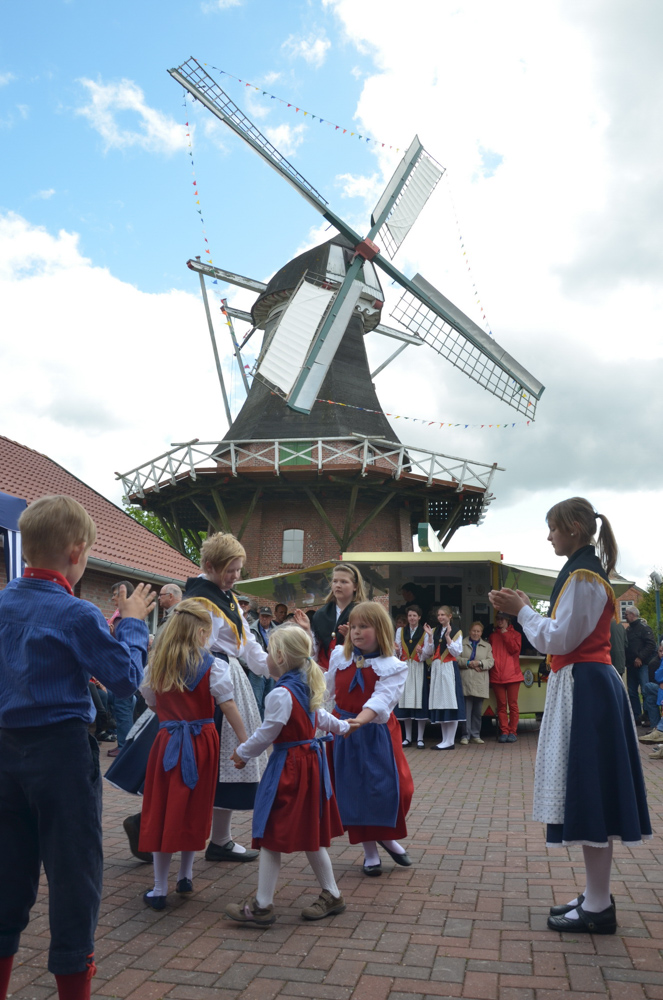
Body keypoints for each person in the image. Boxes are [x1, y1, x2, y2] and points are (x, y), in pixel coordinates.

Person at [0, 495, 154, 1000]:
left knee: (6, 878)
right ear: (76, 550)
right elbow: (126, 680)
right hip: (61, 756)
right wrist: (131, 623)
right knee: (73, 880)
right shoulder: (76, 613)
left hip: (5, 751)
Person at [489, 497, 651, 936]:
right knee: (588, 788)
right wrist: (524, 607)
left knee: (590, 789)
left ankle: (598, 904)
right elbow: (561, 635)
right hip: (584, 685)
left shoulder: (583, 575)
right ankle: (595, 895)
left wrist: (519, 611)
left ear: (576, 527)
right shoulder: (583, 571)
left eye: (553, 528)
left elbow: (558, 640)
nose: (548, 536)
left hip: (586, 687)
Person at [224, 627, 351, 924]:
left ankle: (262, 905)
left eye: (270, 651)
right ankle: (331, 893)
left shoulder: (281, 693)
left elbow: (268, 732)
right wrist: (345, 727)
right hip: (309, 765)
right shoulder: (304, 685)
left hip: (289, 768)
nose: (267, 657)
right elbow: (321, 718)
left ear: (280, 656)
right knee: (310, 833)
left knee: (270, 831)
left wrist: (242, 753)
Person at [138, 599, 246, 910]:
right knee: (194, 807)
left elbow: (151, 704)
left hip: (168, 740)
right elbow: (228, 705)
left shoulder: (156, 666)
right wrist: (245, 742)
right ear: (200, 632)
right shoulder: (214, 667)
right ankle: (185, 875)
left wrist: (173, 719)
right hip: (202, 743)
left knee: (163, 808)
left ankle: (160, 887)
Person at [185, 533, 271, 864]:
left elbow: (248, 644)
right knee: (205, 762)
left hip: (230, 675)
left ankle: (220, 840)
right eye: (230, 570)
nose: (236, 576)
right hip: (207, 680)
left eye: (238, 570)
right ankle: (162, 830)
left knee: (226, 766)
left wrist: (272, 666)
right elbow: (196, 648)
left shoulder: (228, 598)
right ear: (210, 566)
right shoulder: (199, 601)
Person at [326, 602, 414, 876]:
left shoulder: (393, 666)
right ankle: (370, 851)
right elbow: (327, 691)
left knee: (397, 789)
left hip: (376, 733)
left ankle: (386, 837)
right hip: (343, 730)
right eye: (353, 626)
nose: (356, 632)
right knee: (354, 793)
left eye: (364, 626)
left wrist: (360, 721)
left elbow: (382, 699)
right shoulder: (339, 656)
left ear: (381, 630)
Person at [300, 563, 367, 669]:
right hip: (324, 672)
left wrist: (352, 639)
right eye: (335, 581)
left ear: (355, 586)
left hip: (352, 671)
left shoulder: (364, 614)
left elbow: (372, 648)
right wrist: (307, 629)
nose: (338, 585)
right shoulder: (321, 614)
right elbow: (315, 651)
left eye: (344, 581)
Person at [424, 606, 464, 751]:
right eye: (439, 615)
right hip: (437, 668)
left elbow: (457, 651)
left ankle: (450, 740)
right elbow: (428, 652)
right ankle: (445, 739)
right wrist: (429, 636)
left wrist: (447, 637)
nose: (440, 617)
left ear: (449, 616)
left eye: (443, 615)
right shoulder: (434, 631)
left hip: (448, 668)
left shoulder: (456, 631)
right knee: (440, 701)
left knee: (450, 702)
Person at [106, 580, 138, 758]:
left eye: (115, 595)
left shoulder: (126, 617)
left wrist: (111, 636)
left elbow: (126, 644)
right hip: (118, 669)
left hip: (123, 670)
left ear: (124, 594)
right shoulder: (121, 615)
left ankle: (125, 745)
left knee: (123, 706)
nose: (112, 598)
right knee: (121, 704)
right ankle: (124, 741)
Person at [394, 605, 429, 748]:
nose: (412, 618)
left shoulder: (425, 632)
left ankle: (420, 738)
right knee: (406, 703)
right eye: (410, 616)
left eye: (415, 615)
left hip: (418, 667)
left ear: (419, 617)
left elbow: (429, 652)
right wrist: (395, 651)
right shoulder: (400, 631)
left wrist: (422, 652)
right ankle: (408, 737)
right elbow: (397, 653)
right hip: (405, 668)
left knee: (418, 703)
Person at [488, 612, 523, 743]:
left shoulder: (516, 635)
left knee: (513, 705)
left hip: (513, 675)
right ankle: (504, 731)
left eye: (502, 619)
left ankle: (513, 731)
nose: (500, 621)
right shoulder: (492, 636)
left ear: (508, 620)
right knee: (501, 705)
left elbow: (514, 649)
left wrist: (505, 634)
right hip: (497, 675)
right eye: (498, 619)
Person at [457, 621, 494, 745]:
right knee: (466, 711)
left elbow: (491, 662)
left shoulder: (487, 646)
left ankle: (476, 735)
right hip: (466, 680)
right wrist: (468, 663)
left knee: (477, 712)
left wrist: (479, 663)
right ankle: (465, 735)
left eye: (478, 631)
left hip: (479, 681)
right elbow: (456, 659)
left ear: (481, 633)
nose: (476, 633)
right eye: (474, 631)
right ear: (469, 631)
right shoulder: (461, 644)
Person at [625, 606, 657, 723]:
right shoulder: (628, 630)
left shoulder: (644, 628)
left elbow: (651, 645)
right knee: (632, 691)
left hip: (642, 664)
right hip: (631, 665)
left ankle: (647, 715)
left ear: (633, 615)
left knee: (645, 690)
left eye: (626, 614)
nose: (625, 616)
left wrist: (640, 657)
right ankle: (637, 716)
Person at [246, 607, 276, 718]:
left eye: (267, 616)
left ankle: (266, 727)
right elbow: (244, 650)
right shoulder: (250, 629)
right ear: (259, 616)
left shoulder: (277, 630)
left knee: (268, 702)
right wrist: (251, 665)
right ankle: (256, 728)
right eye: (262, 616)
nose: (264, 618)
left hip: (272, 670)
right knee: (255, 702)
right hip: (256, 672)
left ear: (271, 618)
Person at [639, 640, 663, 742]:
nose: (662, 653)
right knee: (650, 698)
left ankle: (658, 729)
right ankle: (657, 728)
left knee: (648, 687)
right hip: (660, 689)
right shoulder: (654, 662)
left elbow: (658, 676)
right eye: (660, 651)